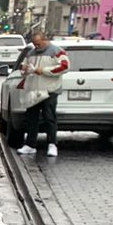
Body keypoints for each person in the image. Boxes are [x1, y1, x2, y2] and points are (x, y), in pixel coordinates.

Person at [18, 29, 67, 157]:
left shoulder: (56, 51)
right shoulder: (31, 53)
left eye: (38, 43)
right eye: (34, 44)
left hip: (49, 90)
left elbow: (64, 67)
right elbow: (24, 68)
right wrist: (24, 69)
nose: (36, 46)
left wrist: (44, 71)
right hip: (33, 89)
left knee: (49, 117)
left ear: (45, 40)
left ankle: (52, 144)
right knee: (31, 118)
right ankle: (30, 144)